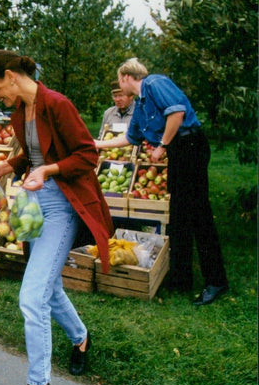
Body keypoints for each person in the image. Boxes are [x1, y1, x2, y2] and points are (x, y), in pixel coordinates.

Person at [0, 50, 114, 385]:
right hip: (34, 202)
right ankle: (81, 339)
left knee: (31, 297)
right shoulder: (21, 110)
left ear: (10, 76)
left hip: (61, 205)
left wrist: (48, 171)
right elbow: (34, 155)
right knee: (48, 288)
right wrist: (7, 165)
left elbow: (87, 156)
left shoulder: (57, 104)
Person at [95, 58, 228, 306]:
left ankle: (216, 280)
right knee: (178, 215)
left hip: (190, 146)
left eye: (119, 81)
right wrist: (99, 144)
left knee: (199, 214)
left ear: (126, 77)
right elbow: (130, 138)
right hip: (178, 151)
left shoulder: (155, 83)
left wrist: (162, 145)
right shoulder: (141, 105)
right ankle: (181, 278)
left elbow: (177, 113)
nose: (119, 87)